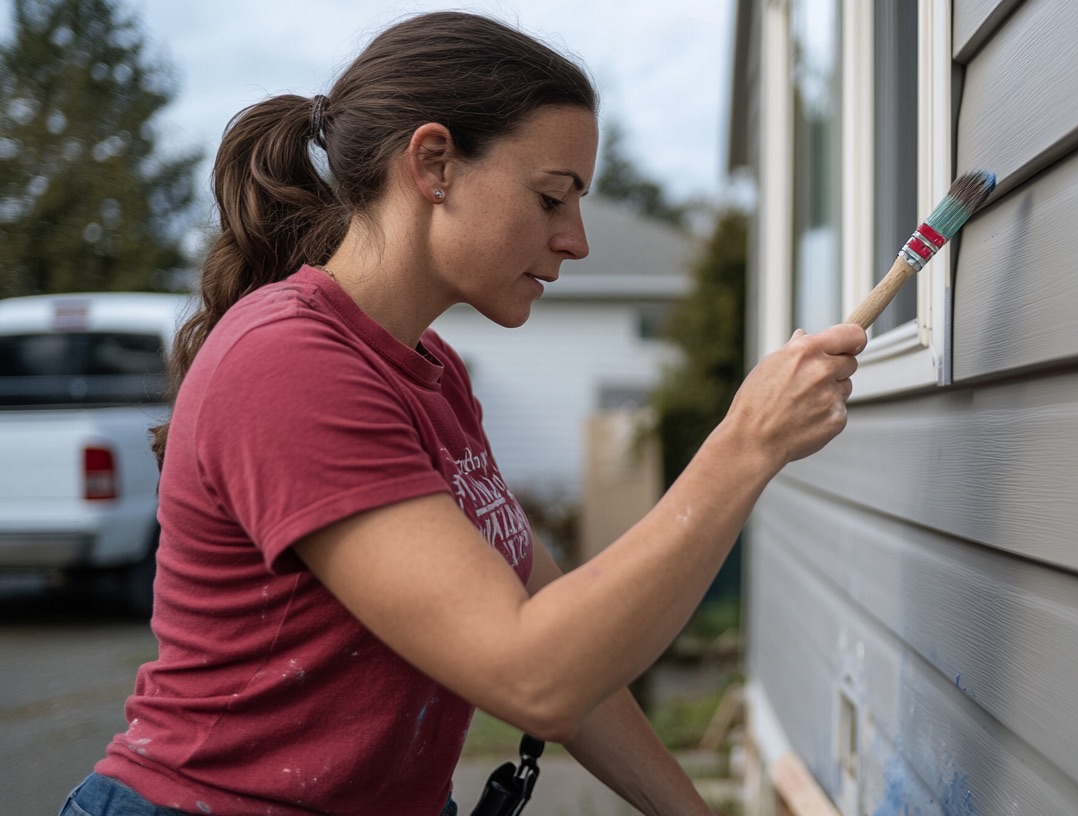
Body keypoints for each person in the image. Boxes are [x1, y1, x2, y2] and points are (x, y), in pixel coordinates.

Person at [57, 11, 865, 816]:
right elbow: (534, 675)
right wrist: (746, 444)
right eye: (553, 197)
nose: (576, 239)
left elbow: (562, 641)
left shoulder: (430, 373)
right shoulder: (290, 364)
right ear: (434, 163)